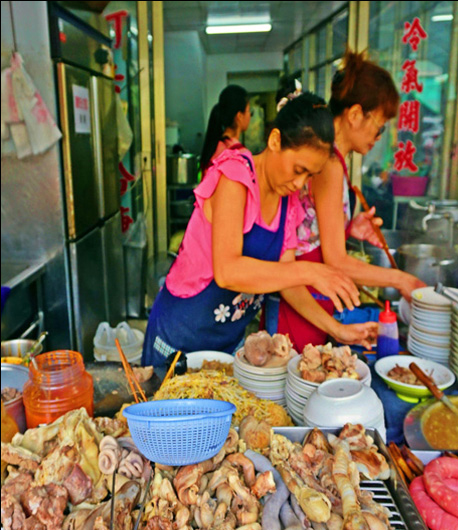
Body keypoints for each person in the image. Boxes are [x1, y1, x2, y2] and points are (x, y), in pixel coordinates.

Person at [142, 93, 377, 368]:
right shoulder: (235, 176)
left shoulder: (287, 203)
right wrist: (311, 271)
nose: (299, 183)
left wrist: (338, 330)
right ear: (275, 140)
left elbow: (289, 284)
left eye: (309, 176)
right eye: (298, 169)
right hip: (179, 336)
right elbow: (228, 271)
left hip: (223, 346)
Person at [275, 51, 426, 352]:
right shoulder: (328, 164)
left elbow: (313, 229)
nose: (379, 137)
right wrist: (401, 280)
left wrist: (348, 226)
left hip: (311, 298)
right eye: (379, 126)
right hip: (303, 302)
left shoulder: (333, 161)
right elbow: (336, 260)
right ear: (356, 115)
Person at [199, 85, 251, 173]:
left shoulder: (213, 148)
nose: (250, 116)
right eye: (249, 111)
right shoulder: (241, 155)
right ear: (239, 116)